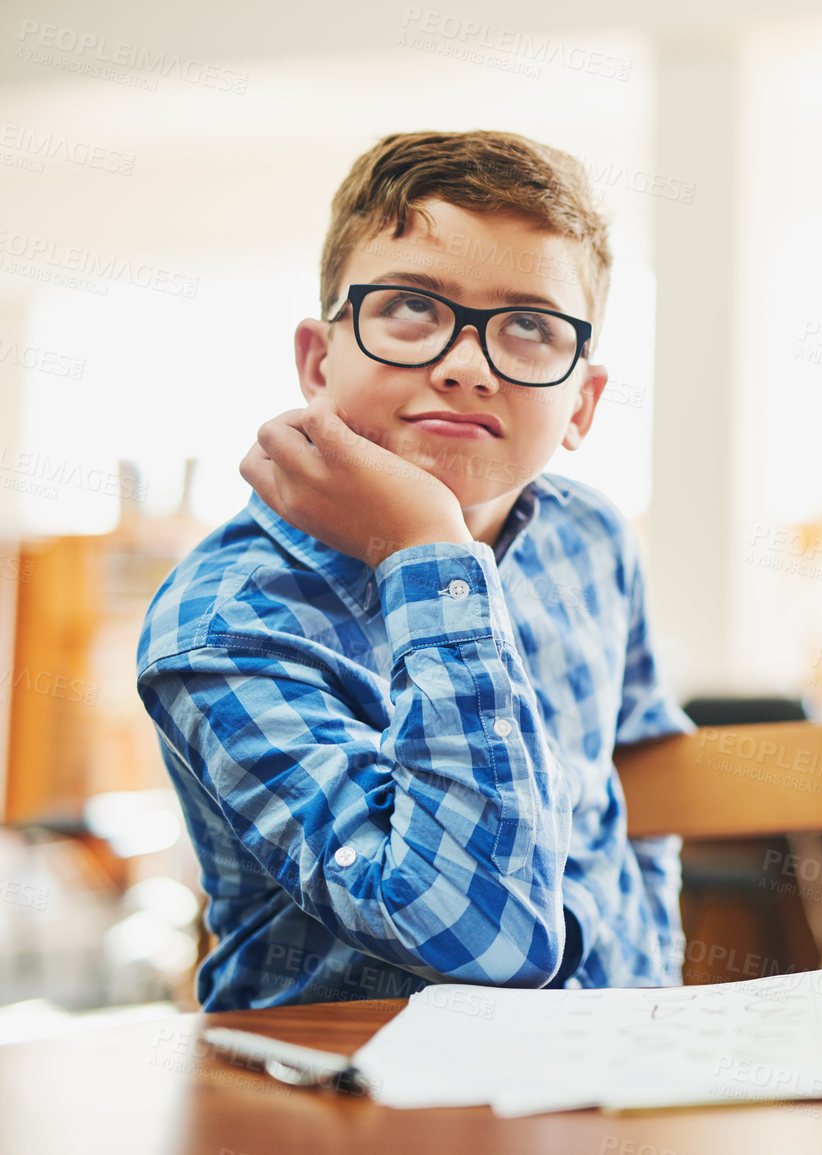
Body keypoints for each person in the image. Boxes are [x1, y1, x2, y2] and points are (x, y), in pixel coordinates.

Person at [136, 131, 690, 1011]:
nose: (466, 364)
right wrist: (427, 555)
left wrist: (655, 983)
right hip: (340, 1099)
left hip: (609, 1067)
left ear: (580, 402)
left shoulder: (591, 537)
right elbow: (479, 939)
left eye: (530, 326)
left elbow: (638, 785)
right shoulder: (223, 620)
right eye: (412, 308)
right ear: (319, 361)